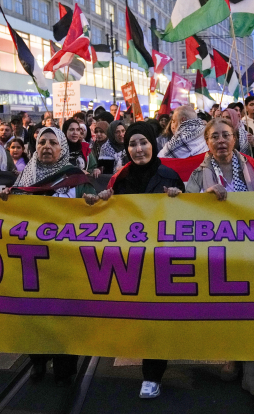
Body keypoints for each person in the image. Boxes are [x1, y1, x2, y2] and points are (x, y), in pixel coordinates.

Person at [185, 117, 254, 397]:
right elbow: (183, 208)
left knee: (253, 309)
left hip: (252, 251)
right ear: (207, 143)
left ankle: (250, 371)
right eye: (215, 137)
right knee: (225, 310)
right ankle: (232, 358)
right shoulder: (197, 172)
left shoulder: (250, 164)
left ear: (235, 139)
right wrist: (204, 195)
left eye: (226, 135)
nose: (221, 141)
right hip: (217, 254)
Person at [84, 122, 184, 399]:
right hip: (129, 261)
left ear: (153, 143)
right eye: (132, 144)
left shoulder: (170, 175)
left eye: (143, 142)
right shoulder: (121, 177)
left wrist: (181, 199)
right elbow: (106, 213)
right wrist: (99, 201)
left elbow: (190, 218)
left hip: (162, 259)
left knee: (158, 318)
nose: (138, 149)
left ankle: (152, 375)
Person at [0, 126, 96, 384]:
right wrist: (1, 202)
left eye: (53, 142)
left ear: (62, 148)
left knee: (67, 315)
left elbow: (96, 216)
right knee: (34, 314)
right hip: (32, 260)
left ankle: (65, 365)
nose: (47, 147)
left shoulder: (76, 178)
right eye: (42, 142)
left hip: (67, 261)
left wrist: (95, 202)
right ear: (35, 146)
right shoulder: (23, 179)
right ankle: (38, 361)